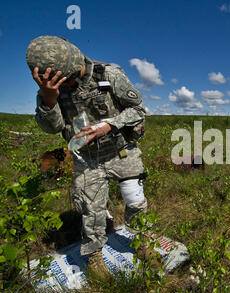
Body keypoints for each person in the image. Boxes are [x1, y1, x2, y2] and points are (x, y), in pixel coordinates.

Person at [27, 35, 148, 280]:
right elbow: (51, 127)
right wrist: (49, 99)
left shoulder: (109, 74)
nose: (68, 87)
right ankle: (95, 258)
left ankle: (143, 242)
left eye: (70, 81)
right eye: (64, 83)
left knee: (134, 201)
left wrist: (109, 125)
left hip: (120, 150)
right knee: (91, 211)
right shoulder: (53, 87)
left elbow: (138, 110)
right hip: (87, 158)